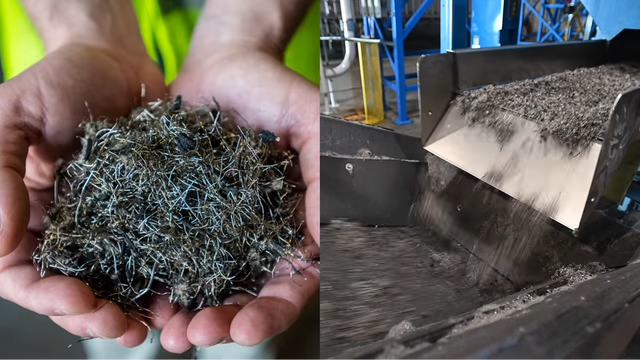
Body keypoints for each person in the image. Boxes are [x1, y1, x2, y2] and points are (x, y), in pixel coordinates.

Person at [0, 0, 320, 358]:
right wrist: (83, 32)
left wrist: (247, 32)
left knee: (242, 331)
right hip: (68, 74)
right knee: (101, 317)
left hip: (260, 82)